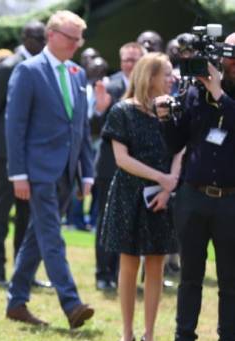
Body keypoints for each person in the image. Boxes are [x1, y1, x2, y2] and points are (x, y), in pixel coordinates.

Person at [4, 11, 95, 329]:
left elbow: (81, 128)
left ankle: (16, 301)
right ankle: (71, 304)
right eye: (71, 37)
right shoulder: (28, 71)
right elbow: (14, 126)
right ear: (52, 35)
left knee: (37, 237)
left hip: (68, 172)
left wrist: (87, 172)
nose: (76, 44)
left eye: (79, 39)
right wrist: (18, 173)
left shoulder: (77, 74)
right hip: (38, 172)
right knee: (52, 238)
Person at [153, 37, 235, 341]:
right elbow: (177, 142)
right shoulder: (194, 92)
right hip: (193, 196)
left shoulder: (220, 95)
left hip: (230, 200)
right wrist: (164, 119)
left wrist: (219, 93)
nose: (224, 64)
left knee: (230, 282)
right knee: (189, 278)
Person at [100, 53, 182, 341]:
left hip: (161, 196)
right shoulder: (122, 111)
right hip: (129, 194)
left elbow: (182, 147)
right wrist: (160, 177)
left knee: (157, 264)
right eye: (167, 74)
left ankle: (150, 336)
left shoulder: (171, 113)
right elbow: (122, 160)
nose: (172, 80)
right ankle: (127, 334)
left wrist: (168, 182)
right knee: (129, 263)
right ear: (149, 77)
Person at [0, 20, 46, 287]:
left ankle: (25, 272)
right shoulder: (8, 67)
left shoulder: (44, 67)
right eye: (37, 37)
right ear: (25, 37)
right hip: (5, 151)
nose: (42, 42)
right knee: (1, 210)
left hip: (32, 152)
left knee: (26, 215)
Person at [92, 42, 146, 291]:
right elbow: (93, 129)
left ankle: (122, 275)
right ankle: (104, 273)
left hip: (138, 168)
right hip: (109, 167)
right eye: (126, 59)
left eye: (135, 59)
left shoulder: (149, 90)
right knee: (106, 221)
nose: (130, 64)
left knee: (129, 222)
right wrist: (99, 111)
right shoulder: (109, 86)